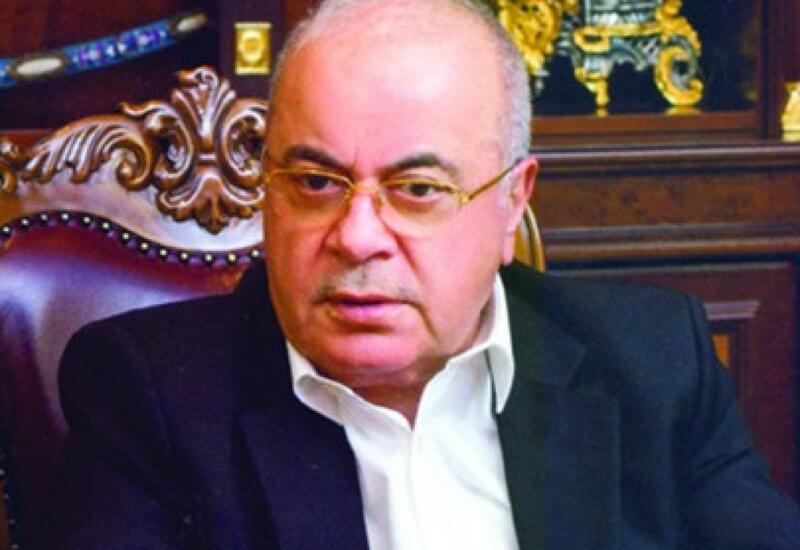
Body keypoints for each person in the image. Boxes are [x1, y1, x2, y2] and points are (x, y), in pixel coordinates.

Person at [57, 0, 800, 548]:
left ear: (512, 203)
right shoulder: (147, 394)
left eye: (417, 190)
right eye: (315, 182)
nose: (357, 237)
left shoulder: (654, 363)